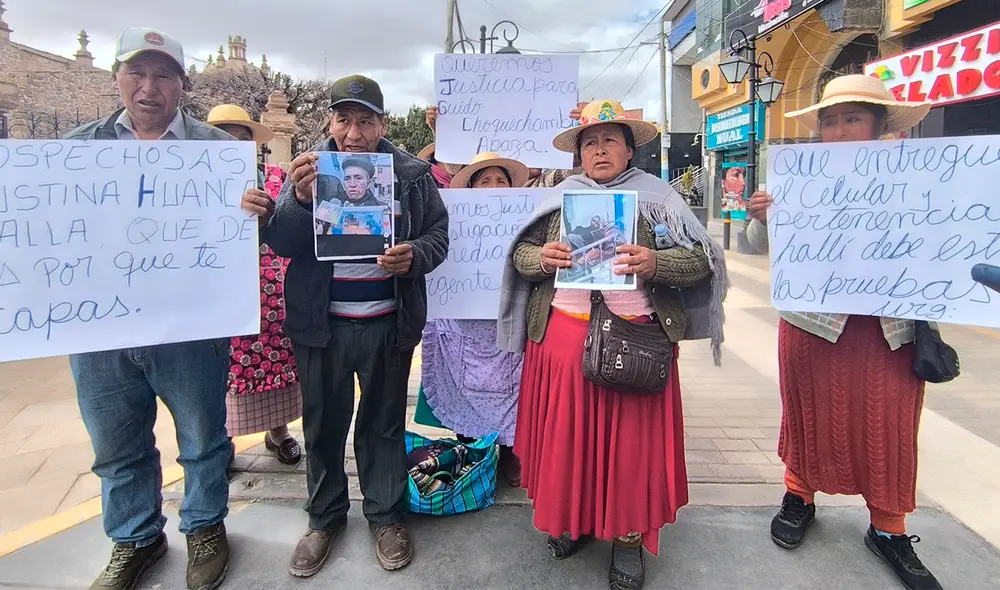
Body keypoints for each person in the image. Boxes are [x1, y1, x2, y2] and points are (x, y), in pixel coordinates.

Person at [496, 99, 729, 590]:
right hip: (560, 342)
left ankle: (627, 538)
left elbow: (701, 261)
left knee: (630, 450)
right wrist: (544, 258)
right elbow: (520, 256)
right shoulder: (559, 198)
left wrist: (656, 263)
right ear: (579, 154)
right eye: (590, 143)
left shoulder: (658, 199)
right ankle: (573, 518)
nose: (599, 150)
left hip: (635, 344)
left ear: (628, 150)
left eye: (609, 141)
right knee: (567, 442)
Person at [745, 74, 939, 590]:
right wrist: (761, 217)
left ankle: (889, 528)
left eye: (852, 118)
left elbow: (944, 243)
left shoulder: (920, 178)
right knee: (808, 413)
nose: (839, 130)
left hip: (887, 330)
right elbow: (757, 245)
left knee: (888, 424)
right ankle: (798, 496)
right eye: (829, 121)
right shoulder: (799, 179)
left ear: (880, 125)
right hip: (811, 325)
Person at [255, 74, 448, 577]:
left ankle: (385, 516)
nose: (354, 133)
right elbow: (281, 242)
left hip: (388, 324)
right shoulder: (307, 170)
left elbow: (439, 235)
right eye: (344, 120)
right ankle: (324, 518)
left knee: (383, 423)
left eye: (365, 121)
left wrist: (414, 255)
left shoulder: (411, 175)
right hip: (321, 327)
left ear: (383, 124)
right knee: (322, 424)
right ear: (330, 122)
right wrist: (300, 201)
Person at [63, 28, 234, 590]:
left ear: (182, 84)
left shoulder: (217, 152)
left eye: (163, 75)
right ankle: (135, 537)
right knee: (116, 445)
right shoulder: (76, 148)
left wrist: (254, 215)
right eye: (136, 73)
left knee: (203, 438)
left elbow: (246, 238)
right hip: (101, 331)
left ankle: (205, 526)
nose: (148, 87)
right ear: (117, 77)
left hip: (189, 328)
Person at [419, 152, 531, 487]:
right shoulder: (450, 218)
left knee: (515, 387)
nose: (493, 187)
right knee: (462, 384)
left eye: (500, 181)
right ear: (470, 188)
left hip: (507, 321)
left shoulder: (527, 218)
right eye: (485, 181)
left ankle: (510, 449)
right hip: (464, 320)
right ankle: (472, 449)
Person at [206, 104, 303, 467]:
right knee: (221, 372)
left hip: (276, 296)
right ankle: (219, 442)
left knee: (280, 365)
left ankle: (279, 431)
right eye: (223, 139)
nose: (233, 145)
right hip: (222, 296)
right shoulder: (196, 188)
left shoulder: (277, 179)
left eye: (241, 138)